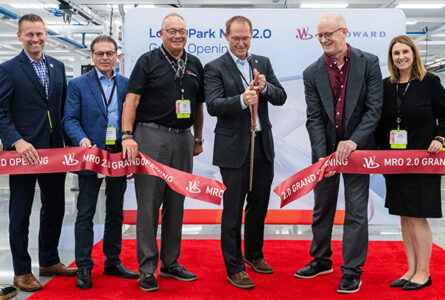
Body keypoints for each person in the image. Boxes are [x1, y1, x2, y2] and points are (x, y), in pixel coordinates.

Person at [295, 13, 383, 294]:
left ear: (344, 32)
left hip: (358, 150)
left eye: (329, 34)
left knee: (356, 211)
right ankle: (321, 260)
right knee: (322, 207)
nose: (324, 40)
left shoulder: (368, 63)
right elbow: (314, 119)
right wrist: (322, 156)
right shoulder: (311, 72)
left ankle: (352, 270)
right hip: (325, 150)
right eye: (320, 36)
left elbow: (373, 110)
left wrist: (354, 141)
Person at [121, 13, 204, 292]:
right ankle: (147, 269)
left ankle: (170, 263)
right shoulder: (147, 62)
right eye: (172, 31)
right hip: (150, 136)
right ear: (161, 33)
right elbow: (131, 100)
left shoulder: (194, 64)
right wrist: (127, 135)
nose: (178, 36)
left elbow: (198, 105)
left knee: (176, 204)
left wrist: (198, 137)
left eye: (182, 31)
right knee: (148, 206)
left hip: (183, 139)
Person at [204, 15, 286, 289]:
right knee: (233, 210)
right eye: (236, 38)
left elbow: (281, 96)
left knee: (259, 205)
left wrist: (266, 87)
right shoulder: (214, 67)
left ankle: (253, 254)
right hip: (233, 148)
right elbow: (213, 105)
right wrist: (241, 100)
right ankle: (234, 267)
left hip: (262, 144)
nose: (241, 43)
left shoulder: (261, 63)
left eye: (245, 38)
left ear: (252, 37)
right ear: (226, 37)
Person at [0, 14, 77, 292]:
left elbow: (61, 110)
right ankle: (21, 271)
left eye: (40, 34)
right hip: (23, 155)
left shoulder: (57, 67)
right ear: (20, 37)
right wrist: (16, 141)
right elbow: (1, 112)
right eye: (29, 34)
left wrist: (72, 142)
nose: (35, 39)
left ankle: (49, 260)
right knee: (20, 213)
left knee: (55, 207)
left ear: (47, 35)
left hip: (55, 152)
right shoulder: (8, 69)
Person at [63, 35, 139, 289]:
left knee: (115, 210)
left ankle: (113, 261)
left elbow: (134, 119)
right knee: (85, 212)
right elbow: (70, 119)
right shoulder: (78, 85)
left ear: (117, 55)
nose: (105, 57)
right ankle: (84, 265)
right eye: (100, 53)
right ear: (92, 56)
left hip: (118, 153)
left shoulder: (127, 84)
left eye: (110, 53)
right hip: (91, 154)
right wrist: (82, 140)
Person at [375, 35, 445, 291]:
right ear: (391, 58)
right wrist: (380, 159)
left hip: (423, 162)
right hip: (396, 163)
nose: (401, 57)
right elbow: (381, 125)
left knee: (417, 217)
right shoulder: (386, 86)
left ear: (414, 53)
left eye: (405, 51)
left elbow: (444, 115)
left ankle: (424, 272)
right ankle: (411, 269)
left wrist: (440, 137)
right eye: (396, 53)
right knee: (404, 217)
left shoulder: (429, 83)